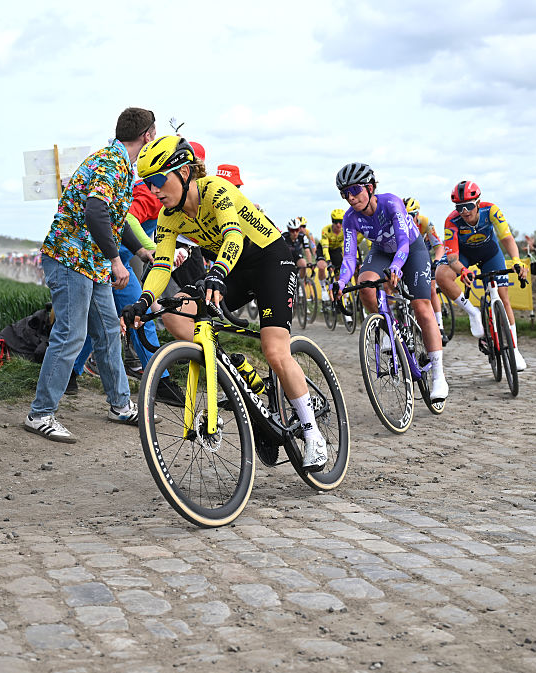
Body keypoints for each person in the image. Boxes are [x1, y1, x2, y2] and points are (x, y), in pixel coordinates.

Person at [124, 135, 329, 469]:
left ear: (185, 171)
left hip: (268, 260)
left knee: (275, 350)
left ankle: (312, 433)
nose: (154, 190)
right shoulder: (168, 217)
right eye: (148, 183)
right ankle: (228, 368)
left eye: (159, 180)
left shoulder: (215, 189)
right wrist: (144, 300)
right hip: (229, 269)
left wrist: (217, 272)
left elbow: (233, 235)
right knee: (174, 310)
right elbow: (161, 265)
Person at [24, 107, 156, 443]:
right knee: (71, 334)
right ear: (148, 136)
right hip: (71, 260)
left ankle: (120, 405)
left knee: (110, 330)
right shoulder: (111, 164)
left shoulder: (119, 165)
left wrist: (139, 250)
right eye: (154, 135)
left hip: (89, 262)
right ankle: (40, 414)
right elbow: (95, 211)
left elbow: (113, 218)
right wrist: (116, 260)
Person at [331, 163, 449, 400]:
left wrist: (396, 266)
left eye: (355, 190)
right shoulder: (350, 219)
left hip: (412, 250)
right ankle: (389, 326)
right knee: (365, 285)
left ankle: (438, 375)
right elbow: (348, 256)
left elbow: (404, 241)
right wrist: (342, 282)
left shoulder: (391, 203)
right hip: (382, 250)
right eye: (345, 194)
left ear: (370, 187)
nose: (351, 198)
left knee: (422, 308)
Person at [435, 180, 528, 371]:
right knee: (441, 275)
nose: (465, 211)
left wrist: (517, 260)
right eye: (459, 207)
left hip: (490, 253)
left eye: (469, 206)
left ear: (478, 202)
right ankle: (473, 313)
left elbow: (507, 238)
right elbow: (452, 258)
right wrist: (463, 271)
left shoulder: (491, 210)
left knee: (503, 299)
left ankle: (515, 350)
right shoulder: (451, 221)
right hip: (464, 255)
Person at [403, 197, 449, 342]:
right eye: (405, 216)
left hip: (422, 254)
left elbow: (439, 246)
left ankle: (439, 326)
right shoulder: (398, 223)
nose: (407, 219)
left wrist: (436, 261)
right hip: (404, 254)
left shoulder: (425, 223)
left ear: (417, 215)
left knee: (431, 289)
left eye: (410, 216)